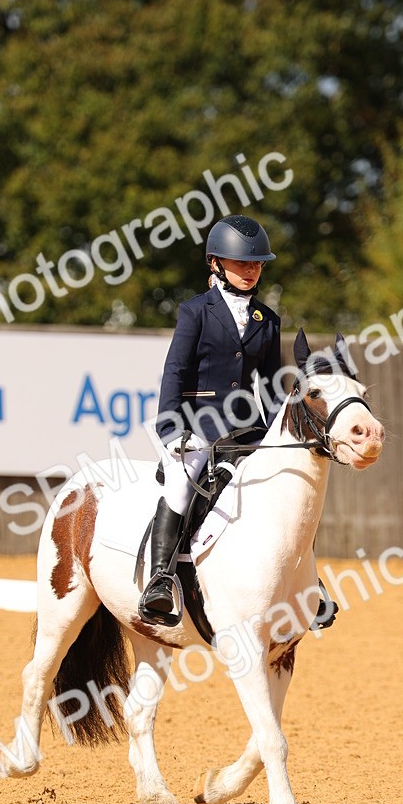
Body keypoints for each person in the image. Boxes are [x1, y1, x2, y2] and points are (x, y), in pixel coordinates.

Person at [139, 213, 281, 625]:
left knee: (284, 485)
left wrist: (274, 434)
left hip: (247, 430)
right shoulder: (195, 312)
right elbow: (175, 371)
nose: (251, 270)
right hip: (196, 427)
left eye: (256, 264)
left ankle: (306, 582)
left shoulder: (267, 320)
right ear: (216, 263)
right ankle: (161, 580)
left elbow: (271, 386)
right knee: (183, 485)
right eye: (242, 263)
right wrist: (170, 428)